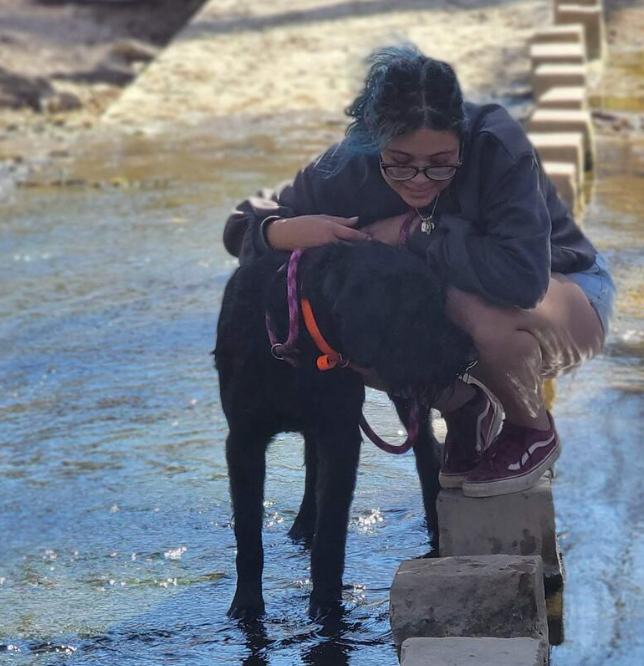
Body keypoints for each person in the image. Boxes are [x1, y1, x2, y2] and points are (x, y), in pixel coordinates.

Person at [223, 44, 616, 490]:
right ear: (374, 144)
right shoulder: (345, 166)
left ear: (461, 141)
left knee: (468, 306)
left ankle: (531, 430)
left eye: (441, 166)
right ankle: (466, 406)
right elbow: (241, 223)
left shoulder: (498, 146)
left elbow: (523, 281)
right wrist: (283, 232)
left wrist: (417, 232)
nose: (420, 181)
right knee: (350, 320)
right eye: (401, 165)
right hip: (469, 312)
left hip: (567, 293)